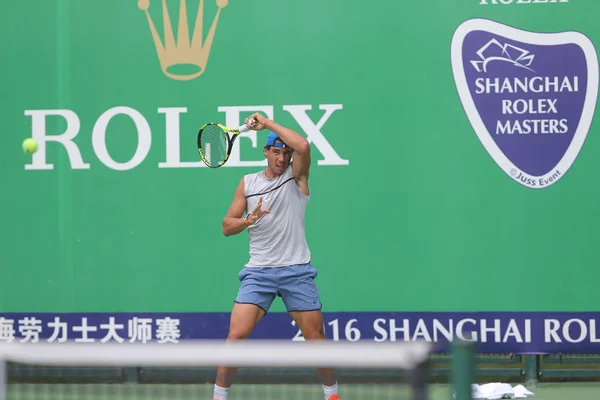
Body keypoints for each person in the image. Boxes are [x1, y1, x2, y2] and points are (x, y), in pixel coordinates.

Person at [213, 112, 340, 400]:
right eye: (276, 152)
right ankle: (218, 397)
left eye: (286, 153)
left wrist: (267, 123)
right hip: (259, 273)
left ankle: (332, 394)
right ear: (265, 152)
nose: (281, 159)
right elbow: (226, 227)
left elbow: (304, 146)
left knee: (316, 339)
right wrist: (248, 220)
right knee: (235, 338)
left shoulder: (297, 178)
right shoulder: (247, 183)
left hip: (296, 270)